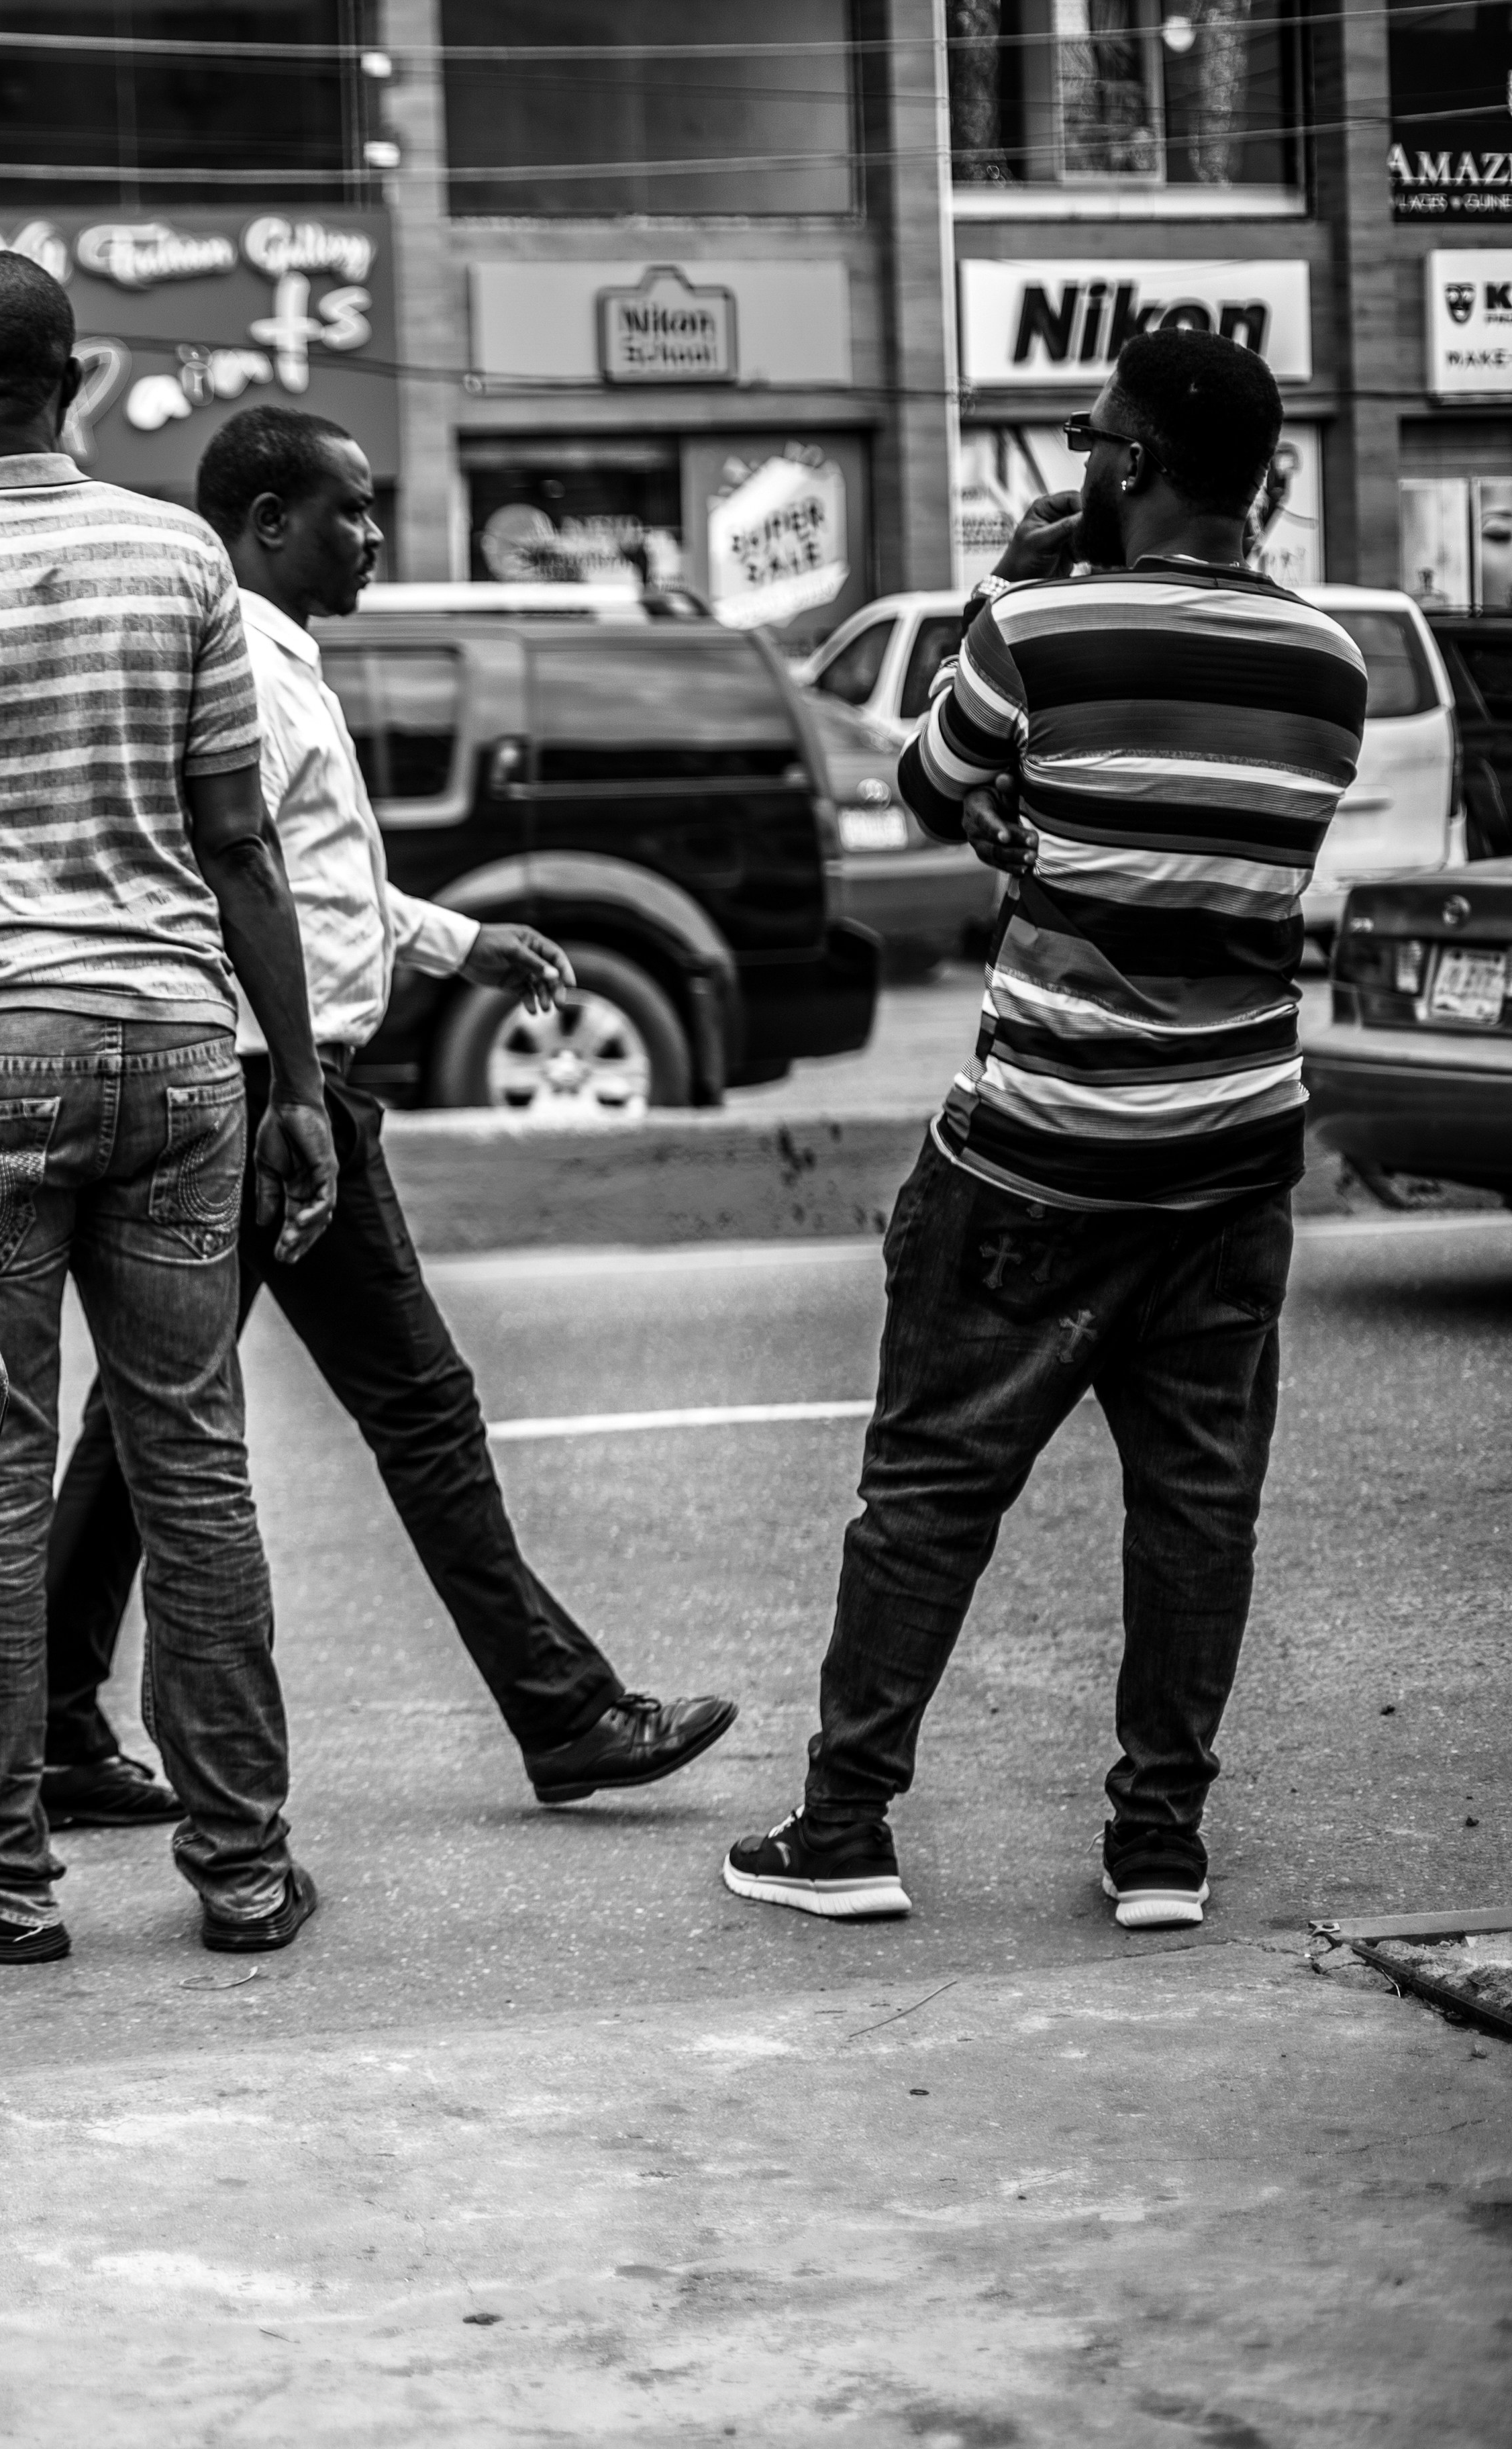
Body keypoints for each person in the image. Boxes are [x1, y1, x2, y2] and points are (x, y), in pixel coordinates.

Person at [723, 330, 1364, 1931]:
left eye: (1093, 438)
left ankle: (847, 1827)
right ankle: (1159, 1846)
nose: (1084, 460)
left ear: (1130, 462)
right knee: (1199, 1510)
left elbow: (935, 781)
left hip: (1038, 1155)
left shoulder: (1036, 626)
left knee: (930, 1492)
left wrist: (1009, 592)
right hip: (1233, 1160)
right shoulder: (1333, 667)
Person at [38, 408, 738, 1834]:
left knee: (144, 1412)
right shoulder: (247, 669)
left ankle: (48, 1722)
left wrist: (457, 942)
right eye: (348, 511)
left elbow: (321, 887)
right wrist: (299, 1093)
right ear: (267, 523)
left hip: (264, 1083)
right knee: (420, 1407)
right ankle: (566, 1714)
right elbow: (236, 881)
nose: (372, 536)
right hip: (273, 1093)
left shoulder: (277, 661)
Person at [0, 249, 340, 1965]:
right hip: (179, 1051)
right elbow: (240, 843)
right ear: (76, 379)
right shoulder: (180, 557)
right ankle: (245, 1869)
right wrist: (299, 1080)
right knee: (196, 1462)